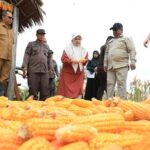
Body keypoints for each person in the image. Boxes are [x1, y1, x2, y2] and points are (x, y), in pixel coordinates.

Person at [104, 23, 136, 99]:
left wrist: (132, 61)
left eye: (115, 30)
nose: (114, 32)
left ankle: (121, 103)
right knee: (110, 84)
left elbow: (132, 50)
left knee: (121, 84)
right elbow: (106, 53)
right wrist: (105, 63)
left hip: (122, 65)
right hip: (110, 66)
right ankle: (109, 102)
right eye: (113, 30)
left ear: (121, 30)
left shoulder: (126, 39)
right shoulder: (110, 41)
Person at [22, 29, 51, 100]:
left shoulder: (47, 46)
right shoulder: (31, 44)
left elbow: (49, 58)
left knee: (45, 92)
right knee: (33, 92)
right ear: (36, 35)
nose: (41, 36)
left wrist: (50, 69)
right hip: (33, 71)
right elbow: (26, 55)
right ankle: (32, 110)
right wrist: (24, 67)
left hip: (44, 72)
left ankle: (43, 110)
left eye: (43, 34)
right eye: (40, 34)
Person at [57, 33, 88, 98]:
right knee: (66, 92)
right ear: (72, 40)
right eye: (76, 39)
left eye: (79, 39)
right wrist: (72, 61)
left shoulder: (84, 49)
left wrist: (84, 61)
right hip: (68, 74)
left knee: (78, 91)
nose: (77, 41)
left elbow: (86, 59)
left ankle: (77, 104)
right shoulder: (67, 48)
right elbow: (63, 59)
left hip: (78, 74)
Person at [0, 11, 14, 95]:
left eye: (12, 18)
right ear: (3, 17)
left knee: (3, 79)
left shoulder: (11, 31)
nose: (11, 19)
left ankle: (0, 99)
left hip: (8, 59)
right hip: (0, 56)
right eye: (9, 17)